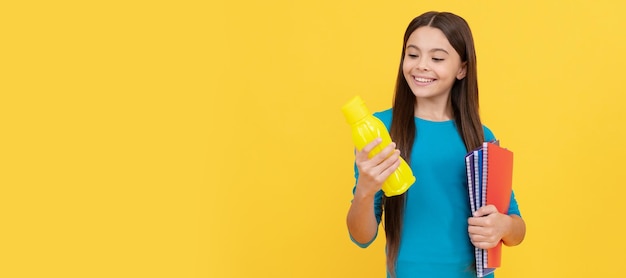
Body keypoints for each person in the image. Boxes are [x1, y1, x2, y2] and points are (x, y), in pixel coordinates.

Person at [346, 11, 526, 278]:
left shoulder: (481, 136)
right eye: (413, 54)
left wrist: (503, 227)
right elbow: (361, 237)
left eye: (437, 58)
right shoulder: (379, 130)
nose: (421, 65)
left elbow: (516, 228)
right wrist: (364, 191)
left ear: (462, 68)